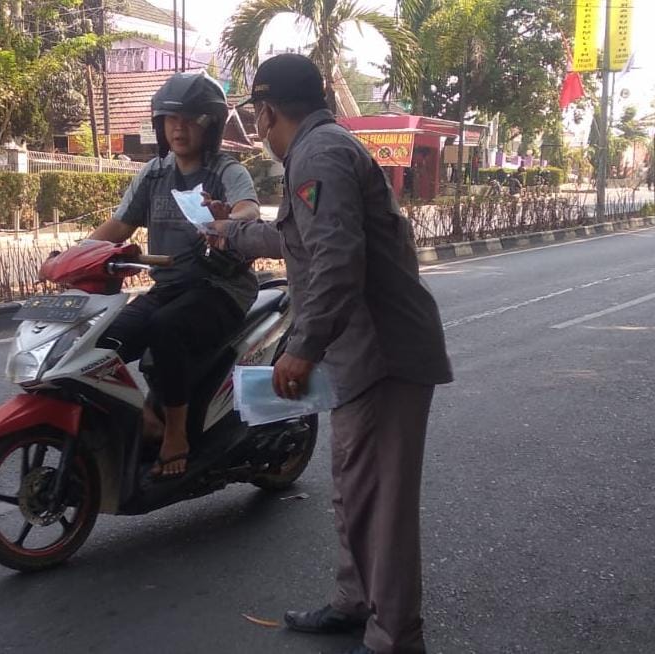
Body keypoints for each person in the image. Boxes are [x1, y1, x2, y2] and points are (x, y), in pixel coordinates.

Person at [206, 54, 452, 654]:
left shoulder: (317, 157)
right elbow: (299, 237)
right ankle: (353, 602)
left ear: (265, 113)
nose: (257, 128)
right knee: (355, 486)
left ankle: (394, 636)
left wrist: (303, 348)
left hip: (384, 354)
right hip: (363, 351)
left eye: (256, 116)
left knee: (383, 502)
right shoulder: (318, 152)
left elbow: (339, 261)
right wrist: (228, 233)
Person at [89, 71, 260, 478]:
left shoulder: (226, 171)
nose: (179, 128)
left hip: (220, 288)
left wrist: (228, 220)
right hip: (169, 286)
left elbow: (249, 210)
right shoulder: (153, 174)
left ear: (211, 125)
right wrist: (71, 256)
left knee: (166, 329)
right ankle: (146, 416)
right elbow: (118, 227)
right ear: (160, 125)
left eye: (190, 119)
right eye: (170, 119)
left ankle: (176, 435)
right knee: (102, 341)